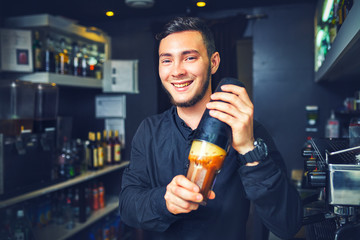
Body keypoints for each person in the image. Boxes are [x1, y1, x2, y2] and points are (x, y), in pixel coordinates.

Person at [119, 16, 303, 240]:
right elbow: (127, 206)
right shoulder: (148, 131)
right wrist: (164, 201)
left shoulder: (248, 131)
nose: (176, 71)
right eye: (166, 60)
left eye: (189, 57)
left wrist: (247, 148)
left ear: (213, 62)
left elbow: (288, 225)